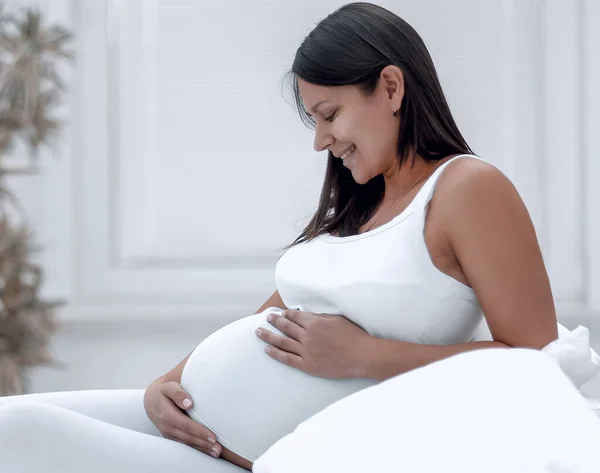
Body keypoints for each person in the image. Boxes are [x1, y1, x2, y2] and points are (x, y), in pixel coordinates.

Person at [0, 2, 587, 472]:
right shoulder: (367, 198)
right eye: (313, 121)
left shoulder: (467, 188)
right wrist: (168, 382)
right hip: (196, 424)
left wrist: (369, 357)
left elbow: (532, 360)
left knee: (16, 434)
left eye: (329, 115)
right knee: (8, 421)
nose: (319, 141)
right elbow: (281, 314)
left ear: (390, 88)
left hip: (243, 454)